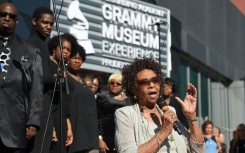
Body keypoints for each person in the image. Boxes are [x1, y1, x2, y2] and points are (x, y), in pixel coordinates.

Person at [114, 57, 205, 153]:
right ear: (134, 89)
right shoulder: (124, 114)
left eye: (155, 80)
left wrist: (191, 117)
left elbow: (197, 149)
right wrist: (164, 131)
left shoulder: (170, 110)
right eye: (144, 82)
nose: (152, 85)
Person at [0, 2, 43, 152]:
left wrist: (33, 121)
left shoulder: (30, 51)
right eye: (3, 15)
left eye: (11, 16)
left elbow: (37, 90)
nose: (6, 18)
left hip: (14, 128)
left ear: (17, 22)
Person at [26, 6, 54, 153]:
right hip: (39, 105)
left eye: (51, 24)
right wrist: (56, 78)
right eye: (45, 23)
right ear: (34, 21)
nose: (48, 27)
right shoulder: (37, 44)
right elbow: (40, 79)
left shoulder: (34, 42)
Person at [67, 44, 99, 153]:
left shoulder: (82, 80)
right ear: (67, 59)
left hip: (91, 136)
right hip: (75, 134)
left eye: (79, 59)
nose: (77, 61)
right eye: (74, 58)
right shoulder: (64, 77)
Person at [48, 33, 77, 153]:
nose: (66, 52)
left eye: (69, 50)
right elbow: (47, 99)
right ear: (54, 49)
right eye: (63, 48)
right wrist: (51, 126)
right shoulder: (48, 66)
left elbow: (64, 102)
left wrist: (69, 127)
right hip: (50, 119)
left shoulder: (63, 71)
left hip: (62, 121)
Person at [97, 73, 131, 152]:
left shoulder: (130, 101)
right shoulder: (101, 98)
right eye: (112, 83)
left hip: (124, 139)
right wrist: (100, 139)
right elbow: (97, 120)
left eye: (118, 83)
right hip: (106, 140)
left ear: (123, 86)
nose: (114, 85)